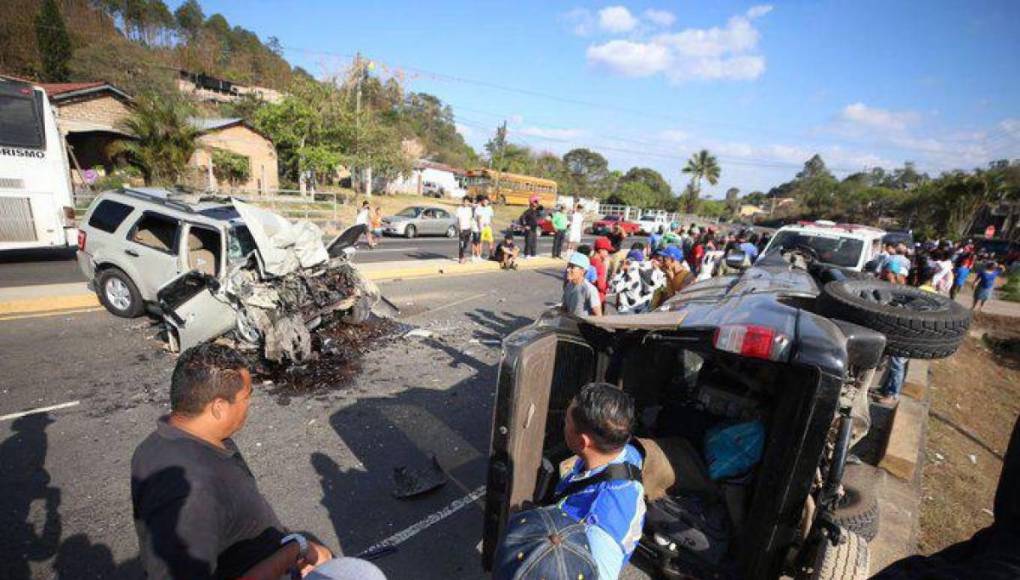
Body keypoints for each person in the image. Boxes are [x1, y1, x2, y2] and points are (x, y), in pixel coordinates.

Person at [131, 344, 383, 579]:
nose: (249, 405)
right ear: (218, 407)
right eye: (246, 397)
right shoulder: (193, 492)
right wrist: (294, 550)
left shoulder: (163, 442)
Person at [554, 383, 645, 579]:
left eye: (566, 422)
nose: (564, 424)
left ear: (583, 442)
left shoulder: (597, 535)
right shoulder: (627, 454)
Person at [610, 246, 665, 314]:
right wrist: (657, 270)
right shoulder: (650, 272)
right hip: (643, 309)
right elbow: (659, 285)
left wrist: (620, 271)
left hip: (627, 311)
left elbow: (613, 288)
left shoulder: (630, 276)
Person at [591, 237, 613, 305]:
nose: (607, 254)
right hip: (598, 298)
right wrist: (607, 287)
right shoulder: (600, 265)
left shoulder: (589, 260)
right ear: (600, 250)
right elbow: (601, 285)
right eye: (607, 251)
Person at [456, 196, 475, 264]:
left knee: (466, 243)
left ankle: (463, 255)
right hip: (462, 228)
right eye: (464, 201)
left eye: (467, 201)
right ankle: (461, 258)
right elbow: (459, 219)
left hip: (468, 228)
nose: (465, 203)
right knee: (461, 243)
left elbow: (470, 219)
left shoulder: (469, 209)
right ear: (463, 202)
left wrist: (471, 228)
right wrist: (460, 227)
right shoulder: (459, 209)